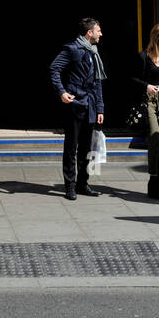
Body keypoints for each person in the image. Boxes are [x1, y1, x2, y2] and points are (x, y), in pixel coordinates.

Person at [49, 16, 106, 201]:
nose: (101, 34)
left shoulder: (93, 52)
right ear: (89, 33)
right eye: (98, 30)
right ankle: (70, 186)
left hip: (90, 106)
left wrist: (100, 109)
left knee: (86, 149)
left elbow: (97, 82)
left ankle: (83, 183)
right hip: (75, 104)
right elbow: (54, 69)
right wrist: (62, 92)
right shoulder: (72, 49)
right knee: (71, 148)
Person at [131, 22, 159, 200]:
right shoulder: (143, 57)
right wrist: (146, 86)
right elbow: (132, 79)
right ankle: (153, 178)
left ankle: (155, 180)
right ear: (158, 39)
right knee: (154, 137)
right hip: (148, 102)